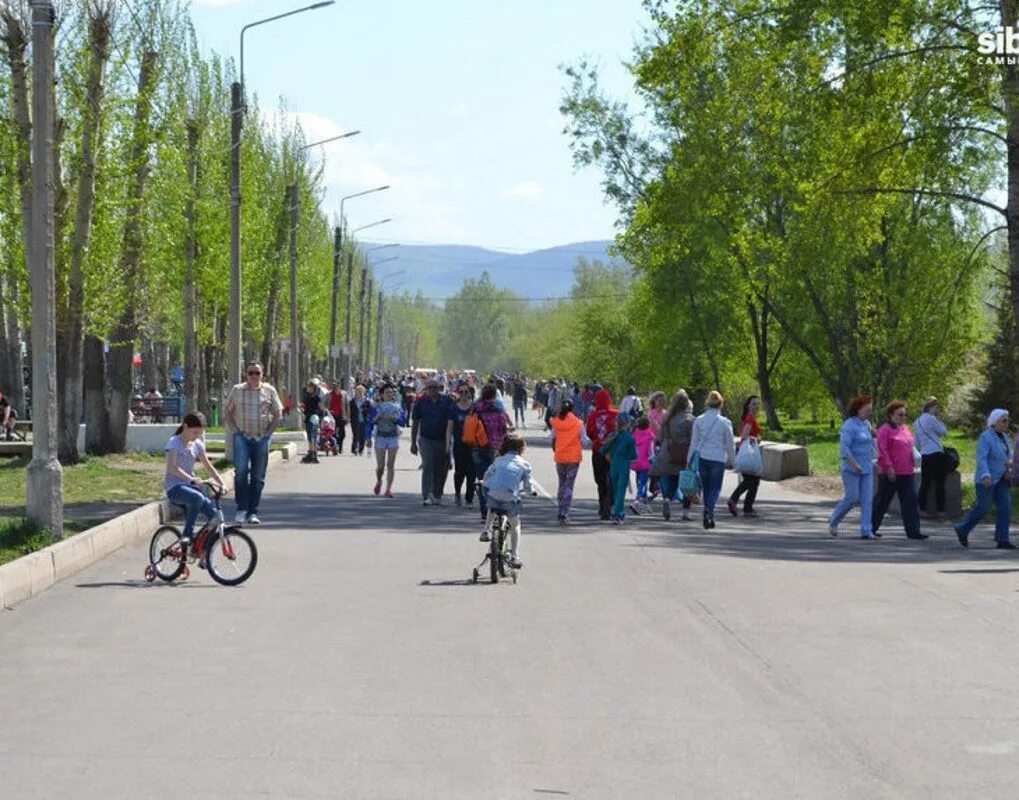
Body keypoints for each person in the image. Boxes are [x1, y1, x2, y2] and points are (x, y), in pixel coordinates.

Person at [223, 361, 282, 525]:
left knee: (258, 477)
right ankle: (241, 509)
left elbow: (278, 413)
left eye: (257, 373)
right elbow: (227, 412)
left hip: (261, 439)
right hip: (242, 438)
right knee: (241, 474)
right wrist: (235, 432)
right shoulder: (237, 390)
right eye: (251, 373)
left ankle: (252, 512)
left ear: (262, 375)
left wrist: (268, 435)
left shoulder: (269, 391)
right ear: (246, 374)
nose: (254, 376)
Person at [164, 412, 227, 545]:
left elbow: (208, 466)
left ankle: (202, 552)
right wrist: (191, 479)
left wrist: (222, 483)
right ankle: (186, 535)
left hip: (190, 487)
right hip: (175, 488)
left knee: (215, 518)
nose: (197, 436)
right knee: (197, 497)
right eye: (195, 432)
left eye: (200, 433)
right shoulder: (174, 442)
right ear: (185, 427)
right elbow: (172, 468)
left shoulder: (197, 444)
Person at [955, 409, 1013, 548]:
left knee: (1005, 507)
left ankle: (1002, 539)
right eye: (1004, 420)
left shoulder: (1005, 437)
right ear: (995, 422)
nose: (1007, 423)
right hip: (987, 479)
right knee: (983, 507)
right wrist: (985, 475)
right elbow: (982, 458)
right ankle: (962, 528)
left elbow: (1007, 457)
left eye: (1008, 420)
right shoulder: (986, 437)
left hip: (1003, 478)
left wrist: (1008, 469)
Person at [872, 401, 926, 540]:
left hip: (907, 471)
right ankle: (870, 528)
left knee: (911, 501)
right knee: (882, 501)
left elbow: (911, 446)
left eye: (905, 414)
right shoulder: (885, 429)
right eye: (900, 414)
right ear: (891, 415)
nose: (903, 417)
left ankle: (913, 531)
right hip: (890, 472)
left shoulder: (905, 428)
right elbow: (882, 449)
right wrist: (889, 467)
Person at [479, 433, 534, 569]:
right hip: (510, 498)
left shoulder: (498, 460)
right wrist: (530, 491)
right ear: (521, 448)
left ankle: (486, 530)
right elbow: (528, 485)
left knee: (492, 502)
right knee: (515, 525)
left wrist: (483, 481)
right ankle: (515, 556)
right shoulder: (525, 464)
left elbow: (487, 474)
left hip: (493, 495)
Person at [828, 396, 877, 538]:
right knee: (852, 498)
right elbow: (844, 449)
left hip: (867, 468)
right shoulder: (848, 425)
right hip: (851, 469)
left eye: (871, 410)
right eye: (867, 410)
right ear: (858, 409)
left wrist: (878, 460)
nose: (870, 413)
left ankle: (866, 530)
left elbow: (872, 444)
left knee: (867, 500)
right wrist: (854, 464)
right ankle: (834, 520)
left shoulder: (866, 424)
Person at [689, 390, 735, 530]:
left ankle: (708, 512)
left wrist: (688, 459)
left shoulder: (699, 420)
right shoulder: (725, 423)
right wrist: (732, 460)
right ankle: (709, 510)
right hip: (718, 459)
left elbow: (694, 442)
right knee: (715, 488)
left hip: (703, 457)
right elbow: (729, 444)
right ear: (721, 405)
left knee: (707, 487)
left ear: (708, 404)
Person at [470, 383, 515, 527]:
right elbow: (503, 430)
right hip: (494, 448)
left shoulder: (476, 408)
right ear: (495, 395)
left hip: (477, 446)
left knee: (482, 479)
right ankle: (493, 509)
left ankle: (484, 511)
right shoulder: (498, 409)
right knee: (495, 480)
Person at [651, 390, 695, 521]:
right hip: (684, 455)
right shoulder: (690, 419)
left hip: (668, 453)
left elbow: (660, 437)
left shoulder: (667, 418)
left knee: (672, 481)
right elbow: (693, 439)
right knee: (687, 482)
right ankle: (686, 513)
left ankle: (667, 500)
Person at [411, 379, 454, 506]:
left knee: (441, 469)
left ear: (439, 388)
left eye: (435, 387)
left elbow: (452, 421)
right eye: (430, 388)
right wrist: (413, 443)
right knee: (428, 465)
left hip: (443, 439)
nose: (432, 390)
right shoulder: (421, 402)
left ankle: (437, 494)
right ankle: (427, 495)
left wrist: (450, 441)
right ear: (426, 389)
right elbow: (415, 422)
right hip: (426, 439)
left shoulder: (446, 401)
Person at [549, 399, 586, 524]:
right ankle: (565, 512)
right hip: (574, 458)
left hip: (560, 457)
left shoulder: (556, 422)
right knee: (569, 485)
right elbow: (585, 440)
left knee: (562, 483)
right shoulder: (578, 423)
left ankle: (560, 510)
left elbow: (551, 438)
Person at [914, 396, 951, 519]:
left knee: (925, 482)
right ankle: (941, 510)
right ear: (931, 407)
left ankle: (921, 508)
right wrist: (939, 419)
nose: (938, 410)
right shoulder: (932, 419)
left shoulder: (917, 422)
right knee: (940, 482)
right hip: (936, 453)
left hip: (925, 454)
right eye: (937, 407)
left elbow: (917, 443)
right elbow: (944, 432)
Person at [727, 396, 763, 518]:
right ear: (748, 405)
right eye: (753, 404)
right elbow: (745, 435)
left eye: (758, 404)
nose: (756, 407)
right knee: (752, 480)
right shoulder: (749, 418)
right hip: (749, 453)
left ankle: (743, 505)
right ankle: (741, 504)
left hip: (748, 451)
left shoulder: (750, 417)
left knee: (751, 481)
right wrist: (756, 439)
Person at [587, 388, 619, 521]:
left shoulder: (593, 416)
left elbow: (589, 433)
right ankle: (610, 503)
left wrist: (598, 439)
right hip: (614, 451)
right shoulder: (617, 414)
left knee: (600, 480)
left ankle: (603, 507)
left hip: (598, 451)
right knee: (613, 478)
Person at [369, 384, 404, 497]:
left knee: (390, 465)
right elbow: (370, 422)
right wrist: (368, 437)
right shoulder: (377, 407)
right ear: (382, 395)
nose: (389, 394)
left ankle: (388, 489)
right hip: (380, 437)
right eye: (387, 392)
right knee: (380, 466)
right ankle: (379, 481)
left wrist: (396, 419)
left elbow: (403, 421)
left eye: (391, 392)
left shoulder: (397, 407)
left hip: (393, 437)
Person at [601, 414, 638, 524]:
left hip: (613, 466)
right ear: (627, 424)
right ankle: (618, 514)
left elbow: (603, 450)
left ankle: (618, 512)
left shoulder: (613, 436)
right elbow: (634, 457)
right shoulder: (630, 438)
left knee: (616, 490)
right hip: (624, 466)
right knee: (621, 491)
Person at [450, 383, 477, 508]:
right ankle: (457, 494)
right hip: (459, 445)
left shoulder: (474, 408)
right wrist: (447, 443)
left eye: (466, 392)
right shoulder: (454, 408)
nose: (464, 394)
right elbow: (449, 428)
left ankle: (469, 498)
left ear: (470, 393)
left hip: (473, 445)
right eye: (461, 392)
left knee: (471, 472)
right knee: (459, 472)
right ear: (458, 394)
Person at [629, 416, 656, 514]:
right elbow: (651, 450)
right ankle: (636, 501)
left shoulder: (634, 435)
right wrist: (653, 460)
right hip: (645, 462)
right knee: (643, 483)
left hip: (635, 462)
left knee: (640, 481)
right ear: (648, 425)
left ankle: (645, 503)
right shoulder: (650, 435)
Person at [300, 378, 325, 464]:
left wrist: (303, 409)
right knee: (312, 437)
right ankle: (313, 454)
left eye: (310, 387)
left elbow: (317, 409)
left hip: (311, 419)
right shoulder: (314, 397)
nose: (308, 388)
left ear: (313, 388)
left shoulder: (310, 398)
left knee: (311, 437)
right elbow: (321, 409)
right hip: (314, 418)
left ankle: (312, 454)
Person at [349, 385, 371, 456]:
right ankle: (354, 449)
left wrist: (363, 410)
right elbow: (350, 411)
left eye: (361, 391)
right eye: (358, 391)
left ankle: (361, 450)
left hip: (364, 420)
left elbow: (369, 411)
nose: (359, 392)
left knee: (363, 436)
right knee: (355, 434)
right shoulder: (352, 401)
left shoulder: (367, 401)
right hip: (354, 420)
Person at [327, 381, 348, 454]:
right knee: (333, 432)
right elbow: (325, 403)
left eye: (338, 386)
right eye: (335, 386)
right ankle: (335, 446)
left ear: (340, 386)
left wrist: (347, 416)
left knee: (343, 433)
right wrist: (328, 411)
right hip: (332, 416)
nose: (336, 387)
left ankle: (340, 444)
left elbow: (347, 405)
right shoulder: (330, 394)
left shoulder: (344, 394)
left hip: (341, 415)